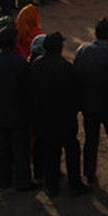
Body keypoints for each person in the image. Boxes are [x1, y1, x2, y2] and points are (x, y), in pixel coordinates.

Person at [29, 32, 88, 196]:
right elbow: (76, 93)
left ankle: (51, 184)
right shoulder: (65, 67)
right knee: (71, 150)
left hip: (44, 118)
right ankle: (74, 183)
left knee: (50, 152)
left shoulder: (36, 65)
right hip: (64, 118)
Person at [0, 24, 37, 191]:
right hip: (18, 111)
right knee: (20, 150)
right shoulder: (20, 63)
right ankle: (22, 181)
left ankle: (3, 180)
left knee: (2, 149)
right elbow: (27, 88)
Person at [74, 17, 108, 186]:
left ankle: (89, 172)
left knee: (91, 140)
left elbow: (76, 73)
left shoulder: (82, 51)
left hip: (88, 103)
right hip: (107, 104)